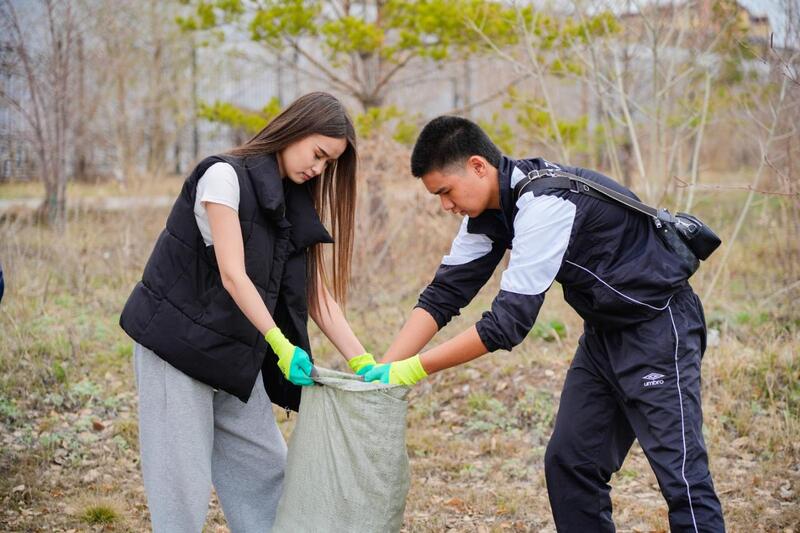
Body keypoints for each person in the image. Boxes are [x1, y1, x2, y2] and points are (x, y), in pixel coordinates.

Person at [364, 116, 725, 532]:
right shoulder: (490, 211)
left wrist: (412, 370)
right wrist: (384, 370)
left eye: (445, 191)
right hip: (603, 337)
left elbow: (507, 324)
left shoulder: (546, 203)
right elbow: (444, 295)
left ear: (479, 166)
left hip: (659, 328)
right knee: (570, 464)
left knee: (682, 479)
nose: (445, 206)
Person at [119, 92, 377, 533]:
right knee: (183, 491)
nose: (318, 169)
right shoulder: (224, 176)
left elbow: (317, 296)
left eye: (328, 163)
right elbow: (234, 274)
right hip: (176, 352)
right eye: (317, 154)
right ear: (295, 128)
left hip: (234, 357)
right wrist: (279, 343)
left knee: (268, 474)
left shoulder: (294, 201)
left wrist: (365, 363)